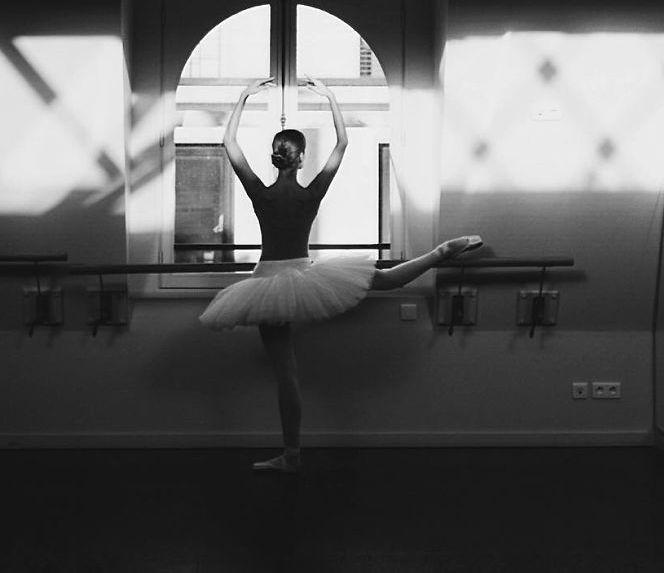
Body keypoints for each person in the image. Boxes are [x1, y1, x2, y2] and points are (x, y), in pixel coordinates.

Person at [199, 75, 483, 473]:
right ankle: (440, 252)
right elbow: (343, 143)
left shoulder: (259, 193)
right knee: (384, 279)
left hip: (264, 281)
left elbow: (229, 145)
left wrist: (244, 96)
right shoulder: (310, 192)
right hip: (303, 273)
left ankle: (291, 456)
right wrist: (331, 98)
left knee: (287, 376)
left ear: (275, 158)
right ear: (299, 159)